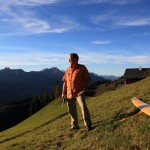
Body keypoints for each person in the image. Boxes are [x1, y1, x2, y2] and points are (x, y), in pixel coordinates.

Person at [62, 53, 92, 131]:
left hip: (79, 92)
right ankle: (75, 125)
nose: (69, 60)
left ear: (76, 59)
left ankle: (88, 124)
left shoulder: (82, 68)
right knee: (71, 109)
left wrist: (84, 89)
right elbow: (65, 82)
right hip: (69, 93)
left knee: (83, 107)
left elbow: (87, 78)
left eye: (70, 58)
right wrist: (63, 92)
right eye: (69, 59)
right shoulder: (67, 70)